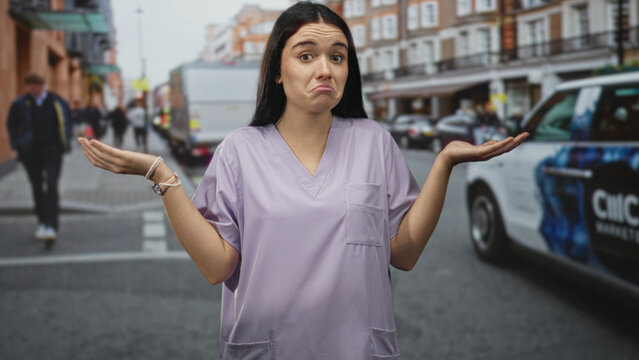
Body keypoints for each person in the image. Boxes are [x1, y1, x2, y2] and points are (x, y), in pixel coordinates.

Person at [77, 2, 528, 358]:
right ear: (277, 69)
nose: (324, 69)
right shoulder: (239, 151)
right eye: (306, 55)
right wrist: (160, 174)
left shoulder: (374, 142)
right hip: (269, 349)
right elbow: (217, 267)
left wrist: (444, 164)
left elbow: (404, 254)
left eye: (337, 56)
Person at [7, 73, 72, 243]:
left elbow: (67, 121)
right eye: (30, 87)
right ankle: (42, 221)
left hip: (53, 151)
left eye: (36, 87)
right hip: (30, 152)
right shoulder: (20, 104)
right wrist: (16, 145)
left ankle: (51, 225)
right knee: (37, 186)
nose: (33, 90)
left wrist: (66, 142)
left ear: (43, 86)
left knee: (51, 184)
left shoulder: (57, 102)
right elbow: (11, 125)